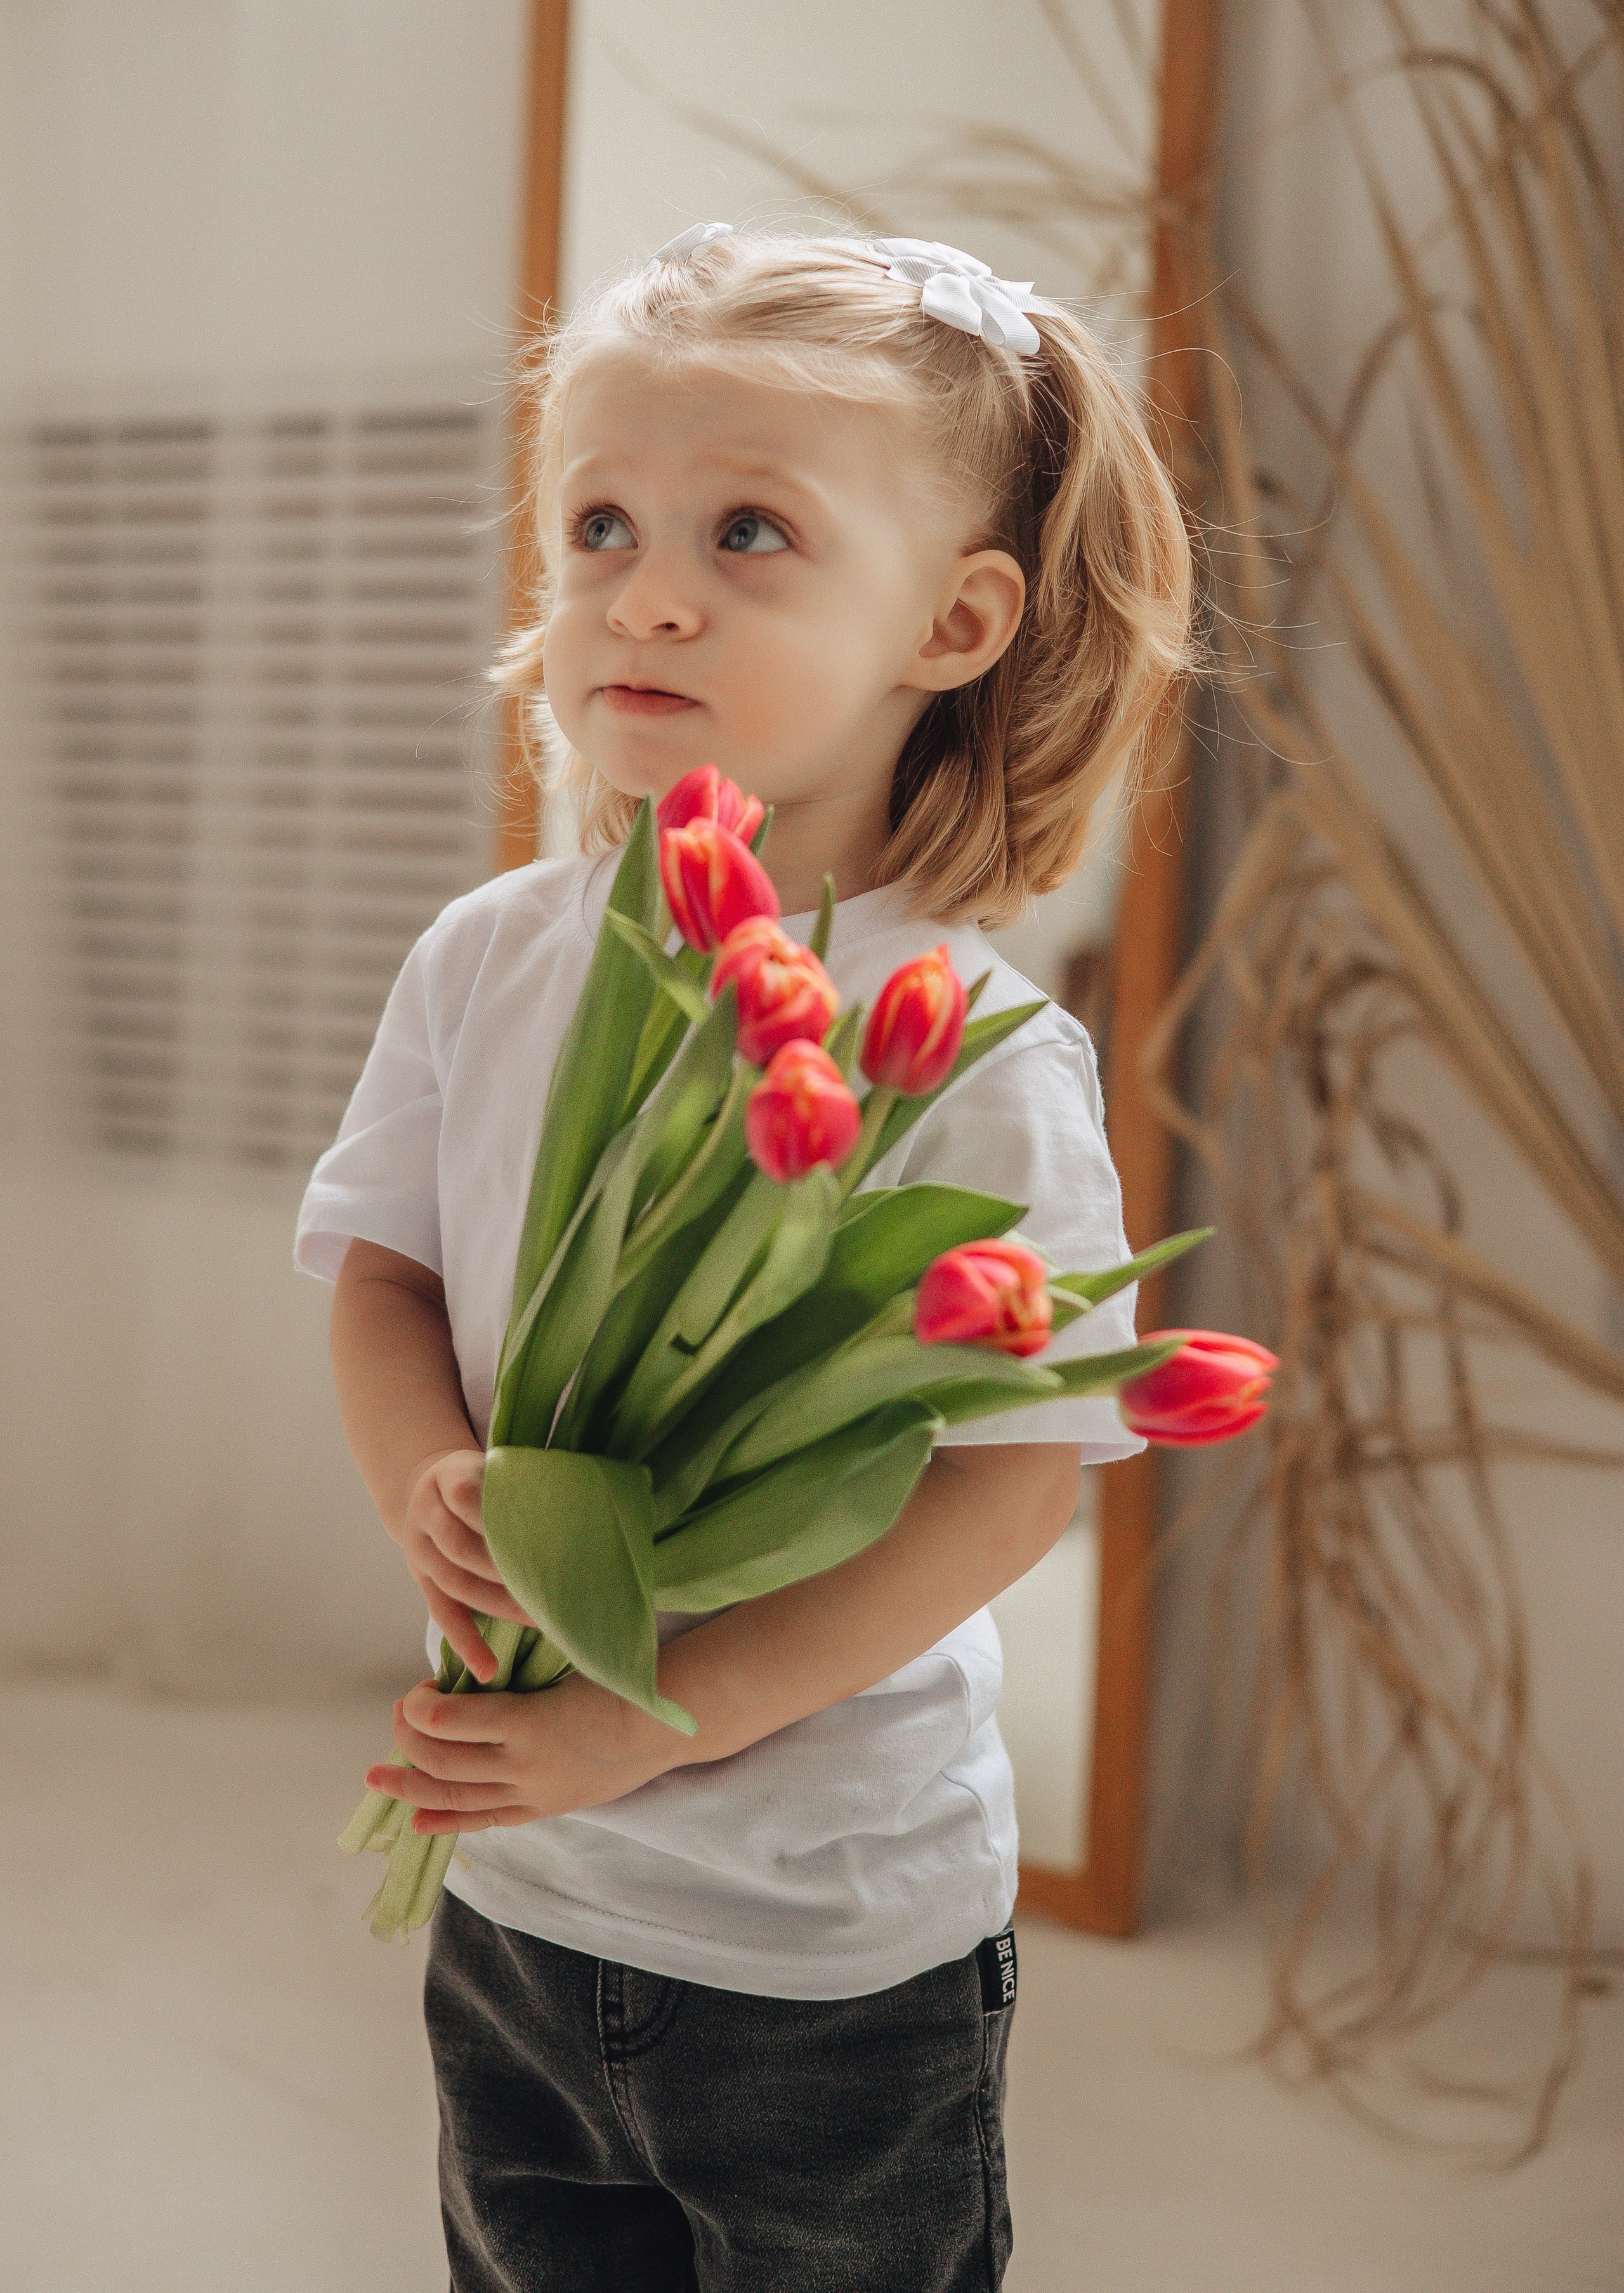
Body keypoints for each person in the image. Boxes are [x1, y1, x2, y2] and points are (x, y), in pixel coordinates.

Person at [295, 225, 1192, 2292]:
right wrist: (430, 1470)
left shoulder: (963, 1047)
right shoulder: (494, 957)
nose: (649, 590)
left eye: (750, 532)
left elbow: (1013, 1480)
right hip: (520, 1878)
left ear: (954, 623)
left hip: (824, 1935)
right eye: (598, 523)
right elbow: (381, 1274)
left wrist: (660, 1719)